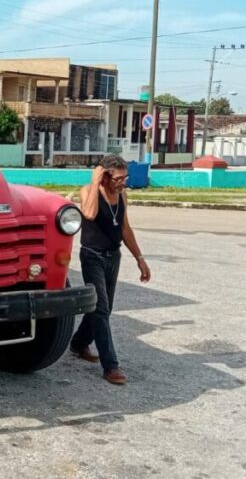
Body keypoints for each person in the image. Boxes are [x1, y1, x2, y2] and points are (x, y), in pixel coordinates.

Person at [69, 154, 151, 385]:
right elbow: (90, 214)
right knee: (102, 309)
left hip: (112, 256)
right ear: (105, 176)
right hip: (92, 256)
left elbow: (125, 229)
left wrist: (140, 259)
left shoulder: (122, 194)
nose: (123, 182)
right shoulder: (89, 190)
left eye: (125, 178)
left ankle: (78, 343)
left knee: (102, 308)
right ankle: (111, 366)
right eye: (118, 178)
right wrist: (95, 183)